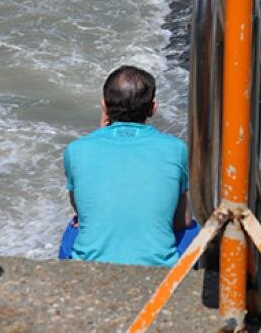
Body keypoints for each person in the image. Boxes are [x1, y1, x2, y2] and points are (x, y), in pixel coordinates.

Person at [59, 65, 198, 266]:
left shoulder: (76, 149)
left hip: (90, 266)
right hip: (158, 267)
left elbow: (82, 212)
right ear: (153, 108)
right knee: (192, 229)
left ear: (104, 105)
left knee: (75, 226)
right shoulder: (176, 149)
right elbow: (182, 221)